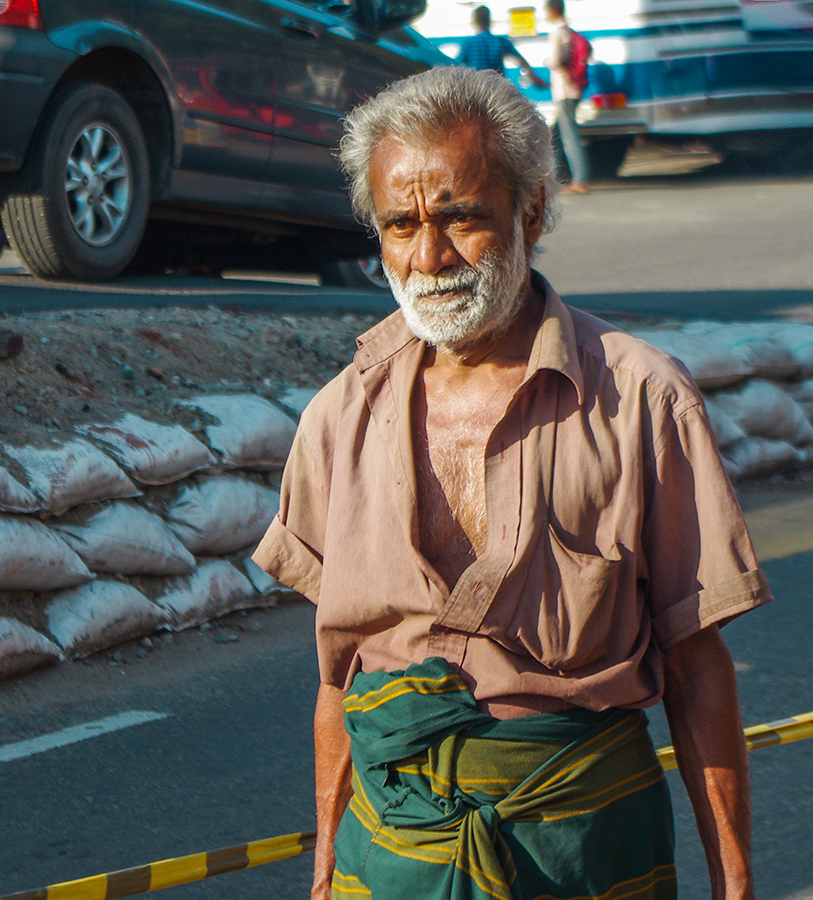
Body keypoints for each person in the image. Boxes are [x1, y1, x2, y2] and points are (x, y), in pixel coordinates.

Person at [253, 66, 770, 900]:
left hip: (583, 838)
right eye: (399, 225)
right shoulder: (337, 417)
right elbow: (340, 673)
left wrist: (734, 884)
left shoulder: (639, 397)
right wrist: (323, 872)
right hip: (392, 848)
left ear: (529, 210)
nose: (428, 257)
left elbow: (697, 660)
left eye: (460, 217)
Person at [544, 0, 591, 192]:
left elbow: (555, 60)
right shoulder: (569, 32)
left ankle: (580, 179)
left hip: (564, 90)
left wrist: (545, 61)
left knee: (569, 136)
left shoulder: (556, 33)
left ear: (552, 11)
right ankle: (560, 177)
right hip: (575, 88)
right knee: (555, 135)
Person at [457, 5, 546, 89]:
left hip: (476, 87)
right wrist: (534, 78)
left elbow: (456, 66)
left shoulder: (468, 43)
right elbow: (520, 61)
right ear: (489, 21)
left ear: (474, 22)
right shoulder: (500, 41)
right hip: (497, 87)